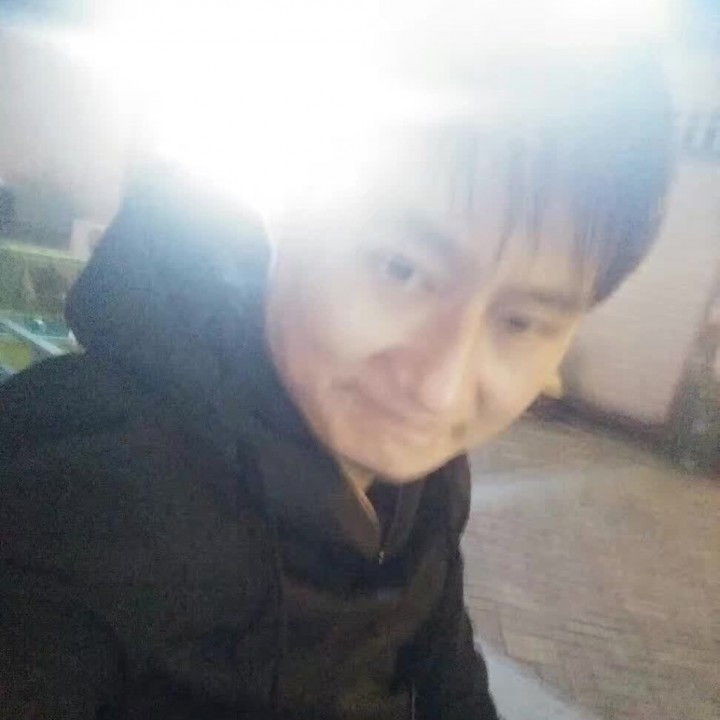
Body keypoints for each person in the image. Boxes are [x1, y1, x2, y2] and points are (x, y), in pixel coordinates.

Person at [0, 52, 672, 719]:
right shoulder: (90, 489)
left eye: (520, 321)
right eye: (401, 269)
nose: (438, 390)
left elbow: (450, 678)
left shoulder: (427, 482)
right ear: (296, 211)